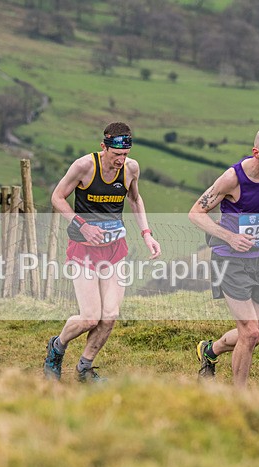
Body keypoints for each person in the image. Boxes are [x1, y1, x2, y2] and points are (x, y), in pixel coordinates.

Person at [44, 122, 161, 382]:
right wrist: (83, 226)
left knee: (109, 317)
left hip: (115, 249)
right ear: (103, 147)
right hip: (83, 249)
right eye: (116, 154)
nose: (121, 160)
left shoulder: (131, 169)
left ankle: (84, 368)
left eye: (125, 154)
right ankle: (57, 347)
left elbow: (134, 199)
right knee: (89, 318)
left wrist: (147, 234)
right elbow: (57, 197)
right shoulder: (84, 166)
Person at [188, 126, 259, 387]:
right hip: (230, 261)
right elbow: (195, 214)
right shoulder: (232, 179)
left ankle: (210, 350)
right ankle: (239, 396)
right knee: (250, 331)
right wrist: (230, 236)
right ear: (256, 153)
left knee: (256, 334)